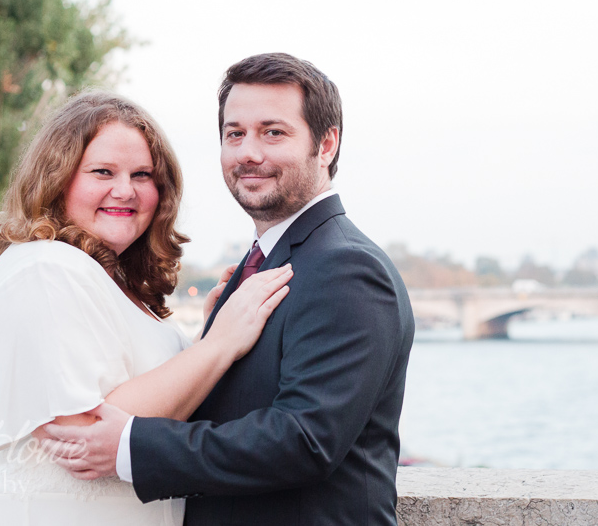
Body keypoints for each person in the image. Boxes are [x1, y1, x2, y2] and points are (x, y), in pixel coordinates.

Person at [42, 53, 415, 526]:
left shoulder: (346, 268)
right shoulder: (265, 264)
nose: (248, 153)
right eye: (234, 133)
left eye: (272, 132)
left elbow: (304, 440)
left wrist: (132, 446)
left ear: (326, 145)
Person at [0, 92, 293, 526]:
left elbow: (137, 402)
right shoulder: (45, 269)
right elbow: (83, 437)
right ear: (57, 179)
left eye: (143, 175)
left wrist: (206, 338)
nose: (125, 190)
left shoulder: (100, 278)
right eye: (102, 172)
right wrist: (219, 345)